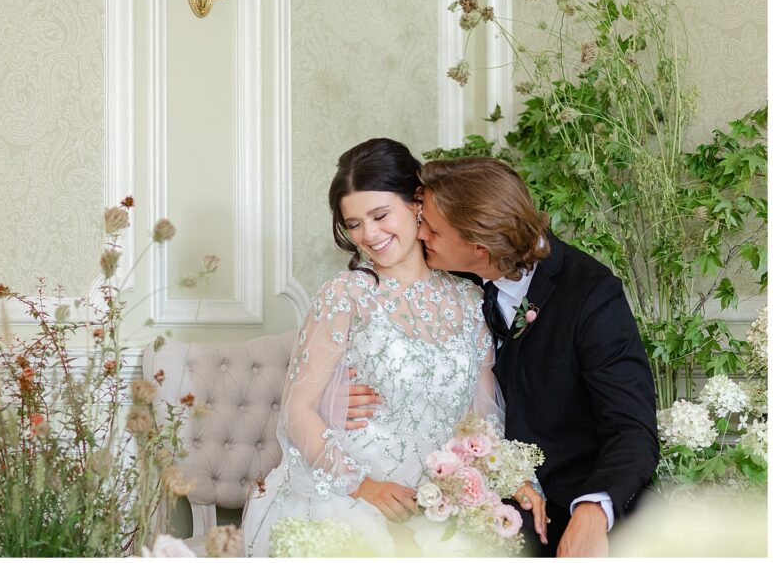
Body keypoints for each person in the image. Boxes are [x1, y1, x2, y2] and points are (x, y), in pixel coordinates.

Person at [240, 139, 543, 557]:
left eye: (380, 215)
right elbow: (297, 410)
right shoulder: (345, 295)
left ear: (417, 204)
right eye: (354, 224)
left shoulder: (470, 299)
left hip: (434, 501)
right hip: (348, 494)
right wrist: (363, 486)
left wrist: (507, 478)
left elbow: (482, 416)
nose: (370, 235)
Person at [402, 156, 659, 557]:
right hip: (479, 490)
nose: (420, 235)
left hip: (568, 500)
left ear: (479, 247)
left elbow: (631, 428)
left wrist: (592, 509)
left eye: (431, 229)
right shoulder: (449, 276)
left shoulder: (592, 295)